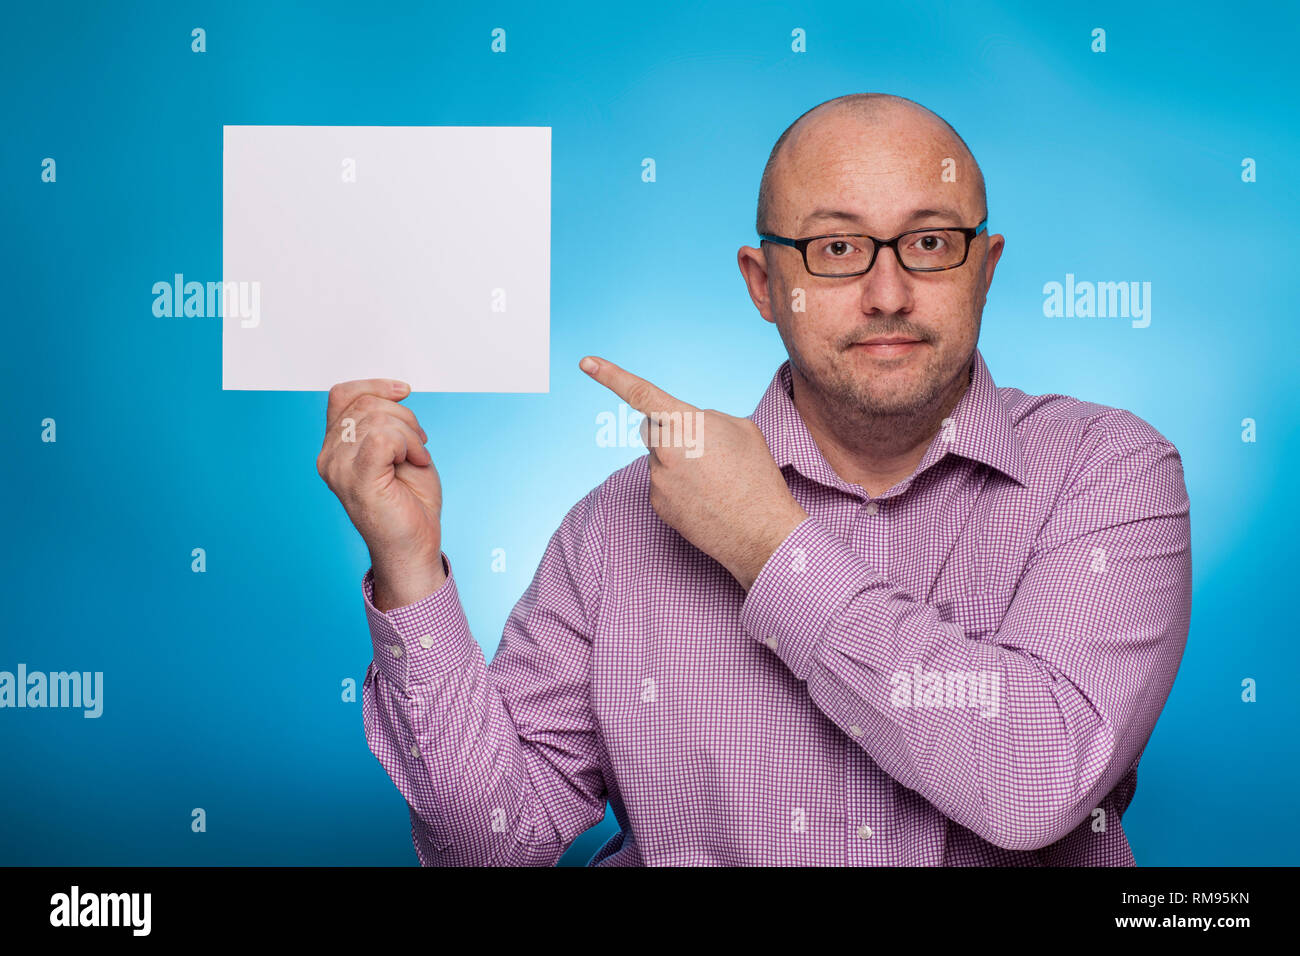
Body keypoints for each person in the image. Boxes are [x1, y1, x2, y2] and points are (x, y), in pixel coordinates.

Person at [316, 92, 1192, 866]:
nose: (887, 293)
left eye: (929, 242)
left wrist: (767, 543)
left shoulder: (1109, 475)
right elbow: (493, 848)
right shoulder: (615, 528)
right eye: (836, 248)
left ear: (985, 269)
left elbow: (1033, 782)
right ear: (763, 282)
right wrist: (408, 567)